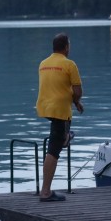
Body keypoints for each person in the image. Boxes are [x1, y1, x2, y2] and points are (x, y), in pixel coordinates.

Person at [36, 33, 84, 202]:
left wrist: (74, 102)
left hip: (45, 107)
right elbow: (77, 91)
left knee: (57, 139)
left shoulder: (43, 64)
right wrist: (77, 100)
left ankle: (65, 137)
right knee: (53, 151)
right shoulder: (69, 64)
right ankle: (46, 192)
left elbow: (55, 86)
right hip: (60, 111)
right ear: (66, 47)